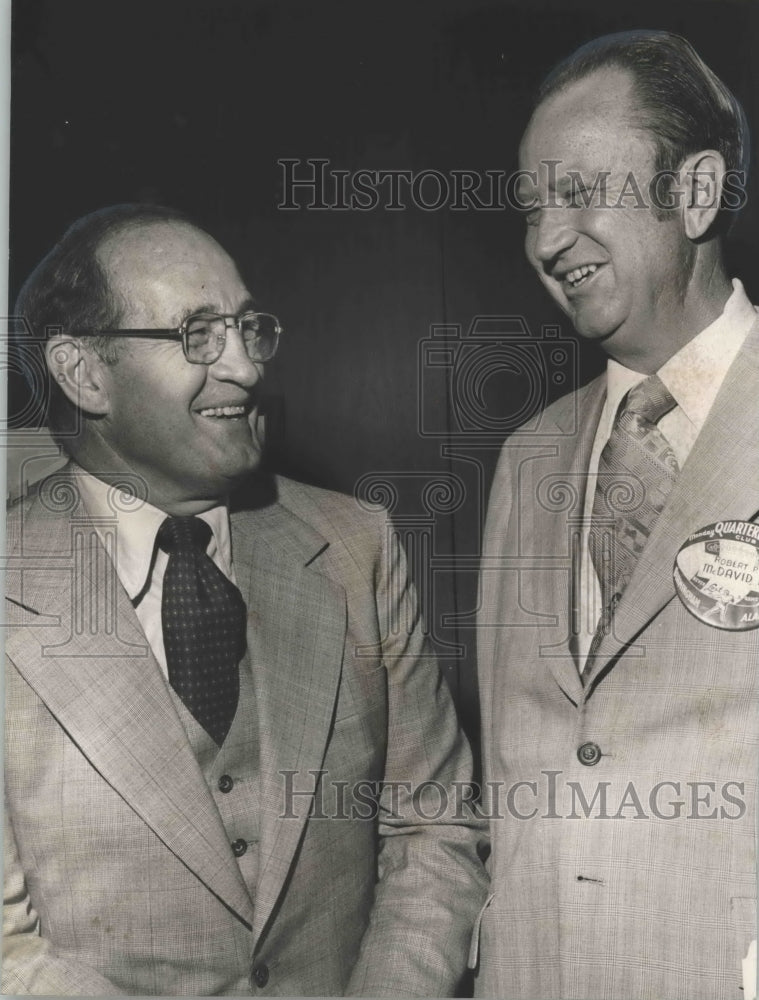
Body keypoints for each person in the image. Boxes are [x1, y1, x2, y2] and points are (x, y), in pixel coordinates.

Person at [3, 203, 488, 996]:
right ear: (83, 372)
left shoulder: (355, 544)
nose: (246, 368)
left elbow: (432, 827)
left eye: (247, 327)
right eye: (197, 334)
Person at [476, 30, 757, 1000]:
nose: (548, 240)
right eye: (533, 207)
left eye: (582, 193)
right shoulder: (527, 462)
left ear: (697, 192)